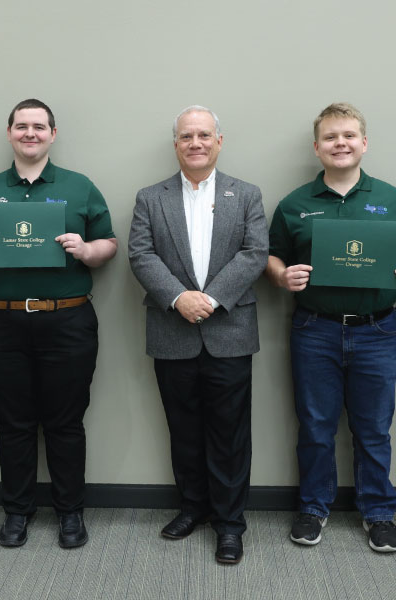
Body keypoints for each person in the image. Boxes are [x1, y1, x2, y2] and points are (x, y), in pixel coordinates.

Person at [266, 102, 396, 553]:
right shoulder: (295, 204)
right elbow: (272, 256)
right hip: (314, 329)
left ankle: (379, 513)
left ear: (364, 143)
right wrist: (282, 276)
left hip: (377, 331)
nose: (339, 143)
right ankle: (313, 508)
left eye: (348, 136)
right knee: (316, 427)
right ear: (316, 147)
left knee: (374, 428)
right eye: (330, 137)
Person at [0, 99, 117, 549]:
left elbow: (110, 244)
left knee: (66, 423)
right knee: (12, 423)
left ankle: (70, 513)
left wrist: (87, 250)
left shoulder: (79, 186)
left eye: (39, 126)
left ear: (53, 133)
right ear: (9, 133)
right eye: (22, 126)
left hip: (67, 318)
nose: (31, 133)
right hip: (2, 323)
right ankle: (17, 512)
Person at [128, 105, 267, 565]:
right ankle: (193, 508)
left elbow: (255, 253)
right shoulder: (151, 197)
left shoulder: (245, 194)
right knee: (183, 429)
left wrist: (210, 298)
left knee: (229, 434)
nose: (195, 143)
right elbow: (141, 255)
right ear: (176, 144)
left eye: (204, 135)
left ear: (219, 141)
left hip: (229, 329)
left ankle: (230, 524)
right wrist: (179, 298)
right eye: (186, 136)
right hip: (172, 328)